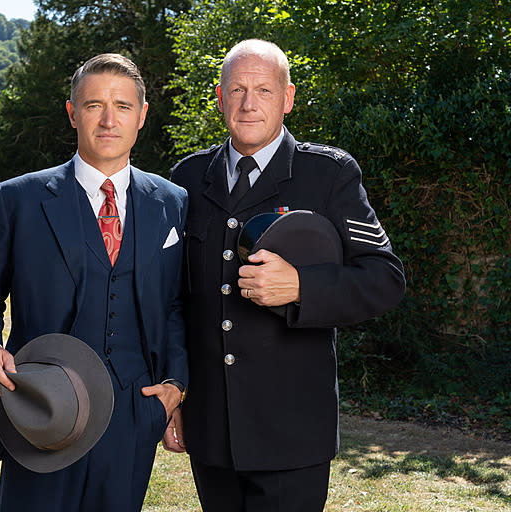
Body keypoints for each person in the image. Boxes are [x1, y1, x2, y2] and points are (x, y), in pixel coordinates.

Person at [167, 39, 406, 511]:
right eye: (237, 90)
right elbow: (171, 299)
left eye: (263, 90)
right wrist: (174, 388)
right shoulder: (188, 179)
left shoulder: (329, 176)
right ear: (219, 97)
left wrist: (301, 286)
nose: (249, 103)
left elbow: (385, 279)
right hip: (212, 427)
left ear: (288, 98)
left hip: (292, 432)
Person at [0, 53, 189, 512]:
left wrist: (174, 385)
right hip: (42, 404)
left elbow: (177, 304)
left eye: (122, 106)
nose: (108, 119)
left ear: (141, 116)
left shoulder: (172, 201)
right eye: (93, 105)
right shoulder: (19, 199)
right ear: (72, 113)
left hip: (135, 412)